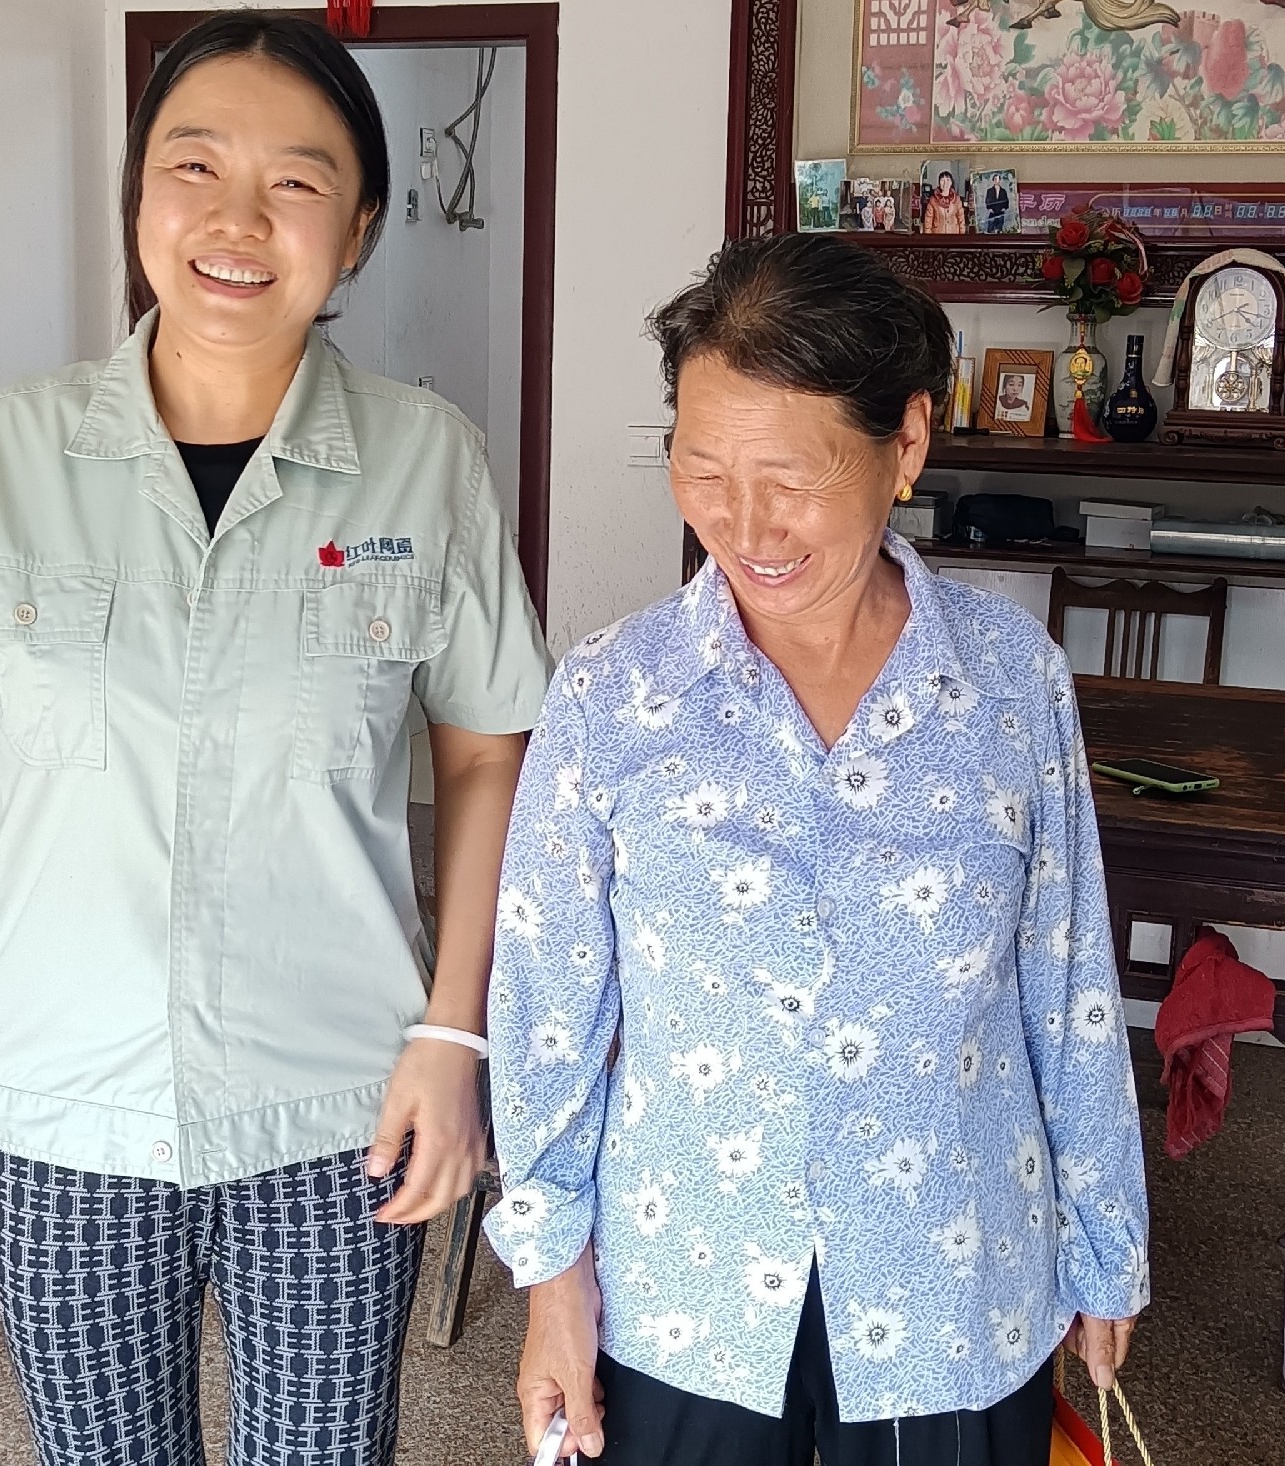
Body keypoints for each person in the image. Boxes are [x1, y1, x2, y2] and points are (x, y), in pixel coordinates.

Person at [0, 14, 548, 1465]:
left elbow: (482, 756)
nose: (237, 220)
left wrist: (456, 1033)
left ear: (360, 228)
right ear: (138, 193)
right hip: (61, 1106)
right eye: (193, 167)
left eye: (296, 181)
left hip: (338, 1101)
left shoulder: (428, 460)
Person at [485, 233, 1149, 1465]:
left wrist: (1107, 1241)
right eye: (702, 468)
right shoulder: (613, 697)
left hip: (952, 1284)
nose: (743, 524)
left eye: (789, 478)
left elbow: (1069, 993)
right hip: (688, 1290)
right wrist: (552, 1286)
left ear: (908, 443)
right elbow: (546, 1013)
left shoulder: (1010, 685)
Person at [923, 170, 966, 234]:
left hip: (954, 236)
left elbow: (961, 219)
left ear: (951, 182)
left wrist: (962, 236)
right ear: (939, 183)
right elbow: (928, 222)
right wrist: (928, 237)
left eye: (948, 180)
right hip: (938, 236)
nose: (945, 183)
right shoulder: (933, 200)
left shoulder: (957, 200)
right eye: (942, 180)